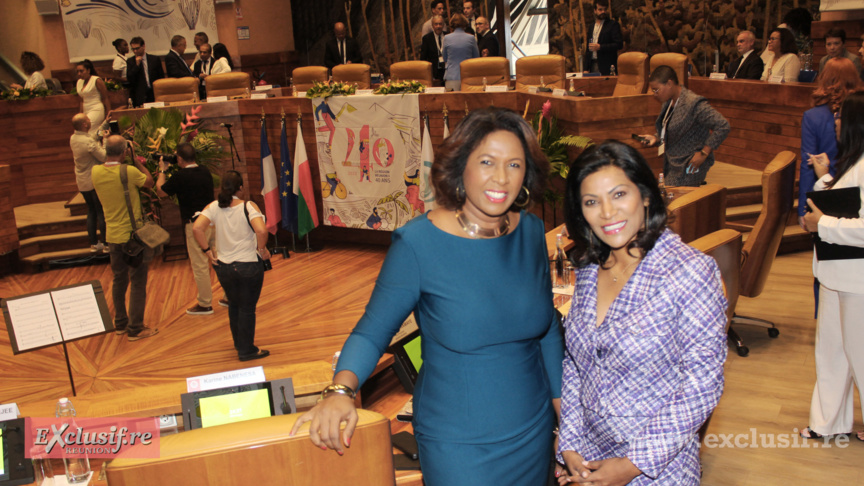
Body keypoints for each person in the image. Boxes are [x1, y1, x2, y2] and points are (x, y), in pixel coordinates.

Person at [290, 107, 563, 485]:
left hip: (533, 429)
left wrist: (563, 410)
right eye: (487, 161)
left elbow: (547, 325)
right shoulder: (418, 243)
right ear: (460, 166)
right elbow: (372, 331)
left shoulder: (531, 231)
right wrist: (340, 390)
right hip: (459, 444)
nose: (501, 177)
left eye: (514, 165)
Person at [557, 140, 727, 485]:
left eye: (619, 194)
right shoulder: (591, 269)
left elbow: (702, 384)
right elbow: (576, 363)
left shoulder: (690, 271)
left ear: (646, 196)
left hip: (657, 468)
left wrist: (633, 464)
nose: (607, 213)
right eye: (592, 202)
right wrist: (571, 444)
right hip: (589, 463)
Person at [801, 91, 864, 443]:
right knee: (831, 352)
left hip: (858, 280)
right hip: (835, 273)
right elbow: (844, 203)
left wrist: (822, 225)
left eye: (840, 117)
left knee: (861, 356)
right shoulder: (853, 161)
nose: (834, 121)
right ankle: (827, 422)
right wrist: (825, 178)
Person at [193, 170, 271, 362]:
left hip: (224, 267)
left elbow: (197, 228)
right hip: (248, 266)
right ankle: (247, 350)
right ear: (241, 188)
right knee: (247, 307)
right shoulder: (248, 206)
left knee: (234, 305)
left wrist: (207, 251)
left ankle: (239, 344)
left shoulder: (213, 207)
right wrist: (262, 250)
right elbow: (261, 230)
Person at [91, 135, 158, 341]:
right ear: (123, 152)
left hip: (112, 235)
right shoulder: (128, 171)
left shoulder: (95, 172)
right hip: (132, 236)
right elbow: (149, 182)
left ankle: (120, 323)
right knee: (138, 281)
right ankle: (135, 328)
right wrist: (136, 161)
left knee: (119, 279)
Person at [638, 66, 730, 186]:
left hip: (690, 164)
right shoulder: (668, 101)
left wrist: (704, 153)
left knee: (674, 200)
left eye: (656, 90)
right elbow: (673, 129)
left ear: (669, 84)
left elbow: (723, 125)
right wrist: (656, 138)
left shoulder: (693, 103)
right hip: (673, 163)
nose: (654, 94)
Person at [798, 58, 861, 229]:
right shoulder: (859, 112)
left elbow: (808, 164)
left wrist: (804, 207)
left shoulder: (812, 116)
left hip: (827, 192)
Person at [156, 143, 216, 315]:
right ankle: (228, 296)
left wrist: (162, 170)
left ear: (179, 159)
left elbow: (161, 191)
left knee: (200, 264)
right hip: (212, 220)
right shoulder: (205, 171)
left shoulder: (180, 176)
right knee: (219, 259)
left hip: (195, 225)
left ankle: (205, 304)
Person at [70, 113, 107, 253]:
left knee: (91, 211)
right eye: (88, 120)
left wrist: (104, 125)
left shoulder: (73, 138)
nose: (90, 121)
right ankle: (106, 243)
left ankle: (93, 243)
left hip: (82, 182)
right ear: (85, 125)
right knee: (101, 211)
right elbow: (103, 156)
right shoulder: (88, 143)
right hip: (93, 180)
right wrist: (106, 140)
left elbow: (90, 139)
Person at [442, 13, 479, 92]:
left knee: (452, 102)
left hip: (451, 75)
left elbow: (444, 57)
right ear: (465, 23)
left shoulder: (447, 38)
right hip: (468, 76)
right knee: (468, 102)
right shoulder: (471, 38)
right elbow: (476, 57)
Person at [127, 37, 165, 107]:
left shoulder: (154, 59)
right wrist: (137, 65)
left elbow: (161, 77)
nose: (135, 51)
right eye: (133, 49)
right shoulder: (130, 61)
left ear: (143, 46)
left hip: (154, 93)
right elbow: (130, 78)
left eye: (137, 48)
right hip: (140, 95)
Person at [586, 2, 623, 75]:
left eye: (605, 9)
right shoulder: (591, 26)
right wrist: (586, 68)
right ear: (595, 10)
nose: (603, 12)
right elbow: (588, 49)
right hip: (593, 64)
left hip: (607, 64)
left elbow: (619, 44)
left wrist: (600, 47)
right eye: (600, 9)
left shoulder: (613, 25)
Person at [75, 60, 110, 136]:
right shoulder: (79, 82)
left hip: (96, 109)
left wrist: (109, 112)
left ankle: (93, 145)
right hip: (86, 110)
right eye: (77, 71)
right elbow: (81, 100)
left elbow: (105, 97)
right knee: (96, 132)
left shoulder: (96, 80)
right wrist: (80, 114)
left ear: (88, 70)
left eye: (81, 71)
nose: (79, 74)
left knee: (88, 129)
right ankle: (102, 138)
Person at [419, 15, 447, 85]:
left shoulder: (448, 36)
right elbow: (423, 58)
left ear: (443, 25)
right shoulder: (427, 39)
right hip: (434, 73)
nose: (438, 26)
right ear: (432, 25)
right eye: (436, 24)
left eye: (440, 24)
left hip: (447, 71)